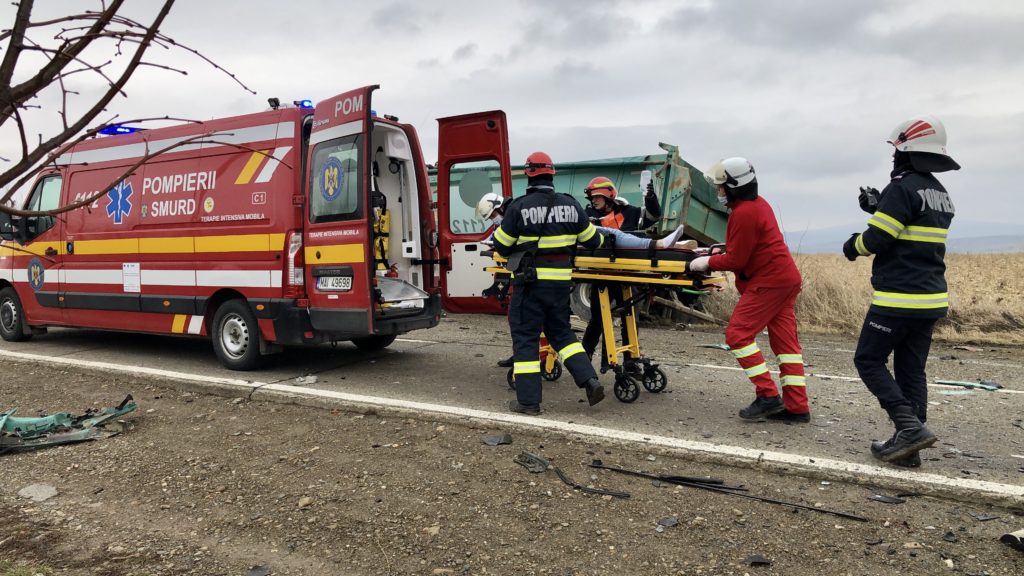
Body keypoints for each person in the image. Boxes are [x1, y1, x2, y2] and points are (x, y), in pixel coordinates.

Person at [842, 115, 959, 467]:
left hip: (898, 298)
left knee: (868, 360)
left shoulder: (902, 187)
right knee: (911, 370)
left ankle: (908, 427)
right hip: (931, 299)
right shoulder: (940, 193)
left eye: (896, 150)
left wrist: (852, 245)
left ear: (907, 150)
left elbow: (878, 239)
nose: (893, 156)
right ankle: (909, 446)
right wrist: (878, 207)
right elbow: (911, 226)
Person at [479, 193, 686, 369]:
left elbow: (502, 243)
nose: (494, 220)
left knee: (611, 234)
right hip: (562, 252)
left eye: (493, 215)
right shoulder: (521, 212)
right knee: (611, 235)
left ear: (500, 207)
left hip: (550, 263)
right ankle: (657, 244)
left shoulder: (514, 216)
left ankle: (657, 244)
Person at [687, 157, 809, 422]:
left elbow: (737, 260)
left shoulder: (744, 213)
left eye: (721, 187)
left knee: (738, 336)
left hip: (769, 282)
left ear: (734, 187)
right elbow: (746, 248)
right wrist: (716, 253)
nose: (718, 191)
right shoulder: (757, 204)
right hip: (784, 279)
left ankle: (768, 396)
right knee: (785, 345)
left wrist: (706, 262)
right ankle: (797, 406)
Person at [492, 151, 605, 414]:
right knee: (562, 334)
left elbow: (502, 246)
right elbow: (594, 241)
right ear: (552, 174)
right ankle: (590, 381)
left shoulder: (519, 207)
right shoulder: (571, 204)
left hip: (530, 284)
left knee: (526, 339)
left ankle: (528, 402)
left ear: (528, 174)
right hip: (560, 285)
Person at [579, 176, 671, 369]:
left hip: (627, 275)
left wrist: (650, 197)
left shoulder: (630, 213)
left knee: (630, 317)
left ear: (608, 196)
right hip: (601, 275)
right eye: (592, 198)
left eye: (597, 197)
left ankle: (631, 360)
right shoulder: (588, 216)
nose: (593, 201)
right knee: (597, 319)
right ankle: (583, 358)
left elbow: (653, 216)